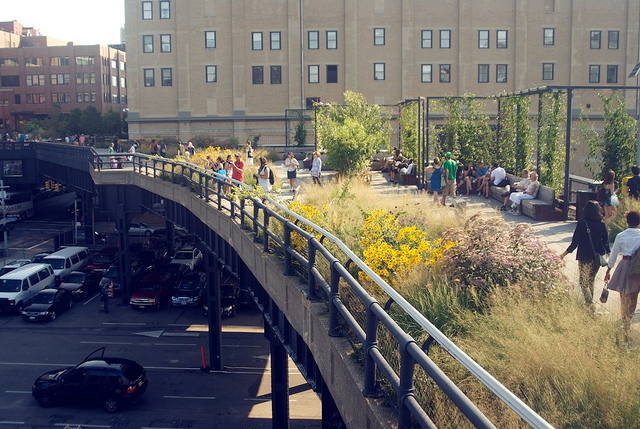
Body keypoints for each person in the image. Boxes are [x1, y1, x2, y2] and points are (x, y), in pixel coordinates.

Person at [561, 200, 610, 305]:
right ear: (598, 211)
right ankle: (590, 301)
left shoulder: (582, 224)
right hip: (597, 256)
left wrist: (563, 254)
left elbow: (575, 242)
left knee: (583, 282)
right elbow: (606, 242)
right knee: (591, 280)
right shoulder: (602, 224)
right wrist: (608, 255)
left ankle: (589, 301)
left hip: (584, 255)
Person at [604, 210, 640, 339]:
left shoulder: (621, 235)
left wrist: (608, 270)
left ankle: (625, 323)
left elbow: (613, 256)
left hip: (625, 265)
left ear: (627, 221)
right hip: (637, 267)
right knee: (634, 295)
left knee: (623, 296)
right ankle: (628, 319)